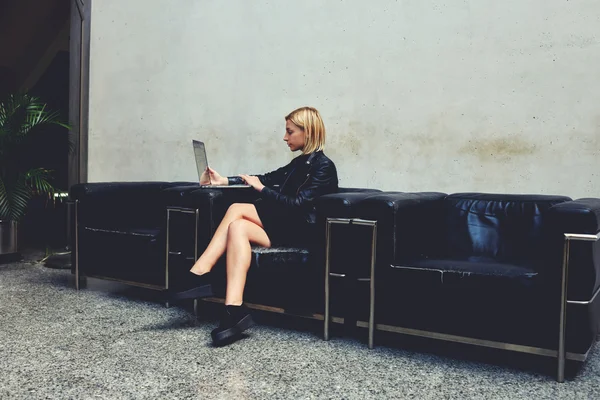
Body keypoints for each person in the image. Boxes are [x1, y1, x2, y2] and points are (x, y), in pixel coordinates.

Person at [170, 106, 339, 346]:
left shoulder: (323, 166)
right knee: (237, 226)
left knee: (237, 208)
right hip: (283, 229)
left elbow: (298, 205)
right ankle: (233, 311)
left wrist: (262, 190)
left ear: (307, 131)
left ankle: (199, 272)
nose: (285, 137)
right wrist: (226, 180)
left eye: (290, 132)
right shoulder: (299, 163)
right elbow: (266, 178)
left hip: (302, 232)